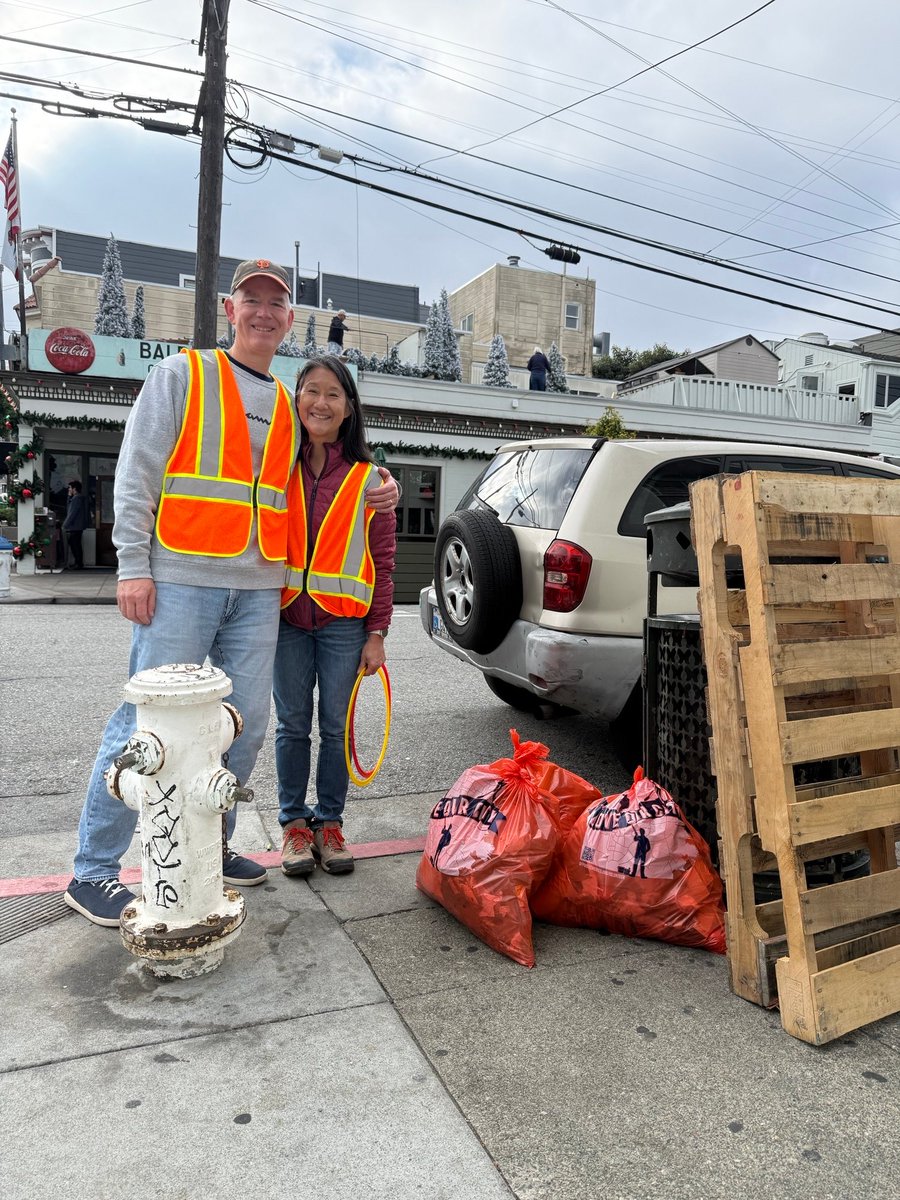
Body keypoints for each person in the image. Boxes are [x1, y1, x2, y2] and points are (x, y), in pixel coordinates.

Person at [64, 260, 399, 927]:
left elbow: (324, 474)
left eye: (277, 303)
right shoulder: (182, 375)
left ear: (290, 319)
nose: (264, 312)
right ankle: (93, 870)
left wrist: (381, 484)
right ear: (230, 309)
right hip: (181, 578)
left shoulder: (289, 409)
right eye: (253, 300)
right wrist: (133, 565)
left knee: (240, 729)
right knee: (145, 726)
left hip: (259, 589)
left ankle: (210, 848)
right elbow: (137, 470)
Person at [276, 355, 396, 878]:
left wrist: (377, 634)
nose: (320, 403)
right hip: (285, 619)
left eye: (333, 394)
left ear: (349, 408)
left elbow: (383, 563)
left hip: (345, 624)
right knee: (292, 725)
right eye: (311, 390)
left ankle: (329, 824)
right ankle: (294, 827)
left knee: (334, 727)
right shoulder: (276, 464)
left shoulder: (371, 480)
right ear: (296, 398)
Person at [62, 479, 90, 570]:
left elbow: (72, 513)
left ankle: (78, 563)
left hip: (75, 526)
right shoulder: (76, 498)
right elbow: (69, 508)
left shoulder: (76, 498)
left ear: (74, 489)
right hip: (77, 526)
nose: (69, 489)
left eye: (70, 488)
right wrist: (69, 497)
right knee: (75, 543)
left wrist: (65, 524)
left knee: (75, 544)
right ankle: (78, 562)